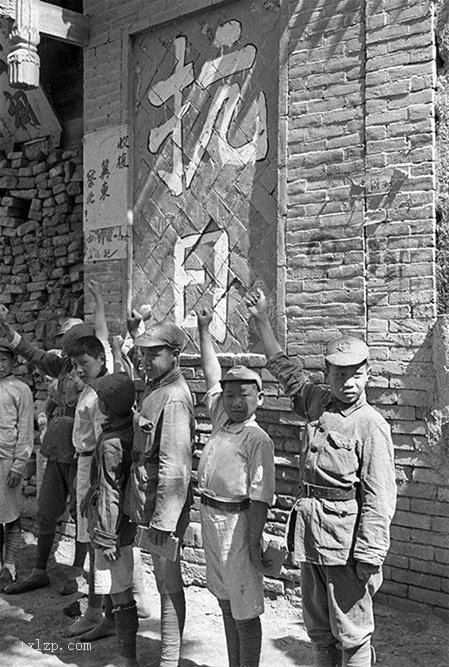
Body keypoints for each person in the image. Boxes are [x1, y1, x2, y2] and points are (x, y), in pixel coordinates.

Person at [245, 288, 397, 667]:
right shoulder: (317, 402)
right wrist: (262, 319)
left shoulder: (371, 425)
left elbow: (380, 497)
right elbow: (285, 371)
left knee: (353, 633)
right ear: (326, 374)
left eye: (355, 375)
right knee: (319, 631)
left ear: (367, 375)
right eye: (339, 374)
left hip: (348, 547)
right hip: (312, 538)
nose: (347, 382)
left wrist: (370, 555)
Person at [196, 307, 276, 667]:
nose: (235, 402)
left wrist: (253, 539)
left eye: (244, 395)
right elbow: (212, 373)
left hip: (238, 526)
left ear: (259, 398)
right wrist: (203, 329)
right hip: (211, 519)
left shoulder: (257, 440)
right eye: (230, 396)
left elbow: (260, 496)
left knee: (245, 610)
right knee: (225, 601)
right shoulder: (220, 419)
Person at [0, 310, 96, 595]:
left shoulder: (96, 369)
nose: (66, 352)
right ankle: (39, 570)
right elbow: (33, 354)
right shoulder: (63, 365)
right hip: (57, 450)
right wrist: (6, 327)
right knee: (45, 511)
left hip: (82, 454)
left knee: (82, 516)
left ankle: (78, 571)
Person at [127, 322, 194, 667]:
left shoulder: (175, 397)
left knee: (168, 583)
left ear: (175, 356)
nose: (146, 360)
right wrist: (130, 333)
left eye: (155, 353)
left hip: (161, 506)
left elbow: (176, 465)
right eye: (144, 353)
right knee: (162, 579)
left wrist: (164, 521)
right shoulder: (155, 386)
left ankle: (170, 660)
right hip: (146, 498)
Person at [81, 372, 139, 667]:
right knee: (110, 585)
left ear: (107, 404)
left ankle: (126, 657)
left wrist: (106, 538)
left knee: (121, 594)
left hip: (113, 528)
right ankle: (109, 624)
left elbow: (111, 493)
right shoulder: (123, 426)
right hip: (115, 523)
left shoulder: (112, 443)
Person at [63, 334, 109, 635]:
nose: (79, 369)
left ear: (101, 361)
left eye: (84, 363)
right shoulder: (89, 389)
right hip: (84, 461)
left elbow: (104, 440)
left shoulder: (100, 394)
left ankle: (95, 611)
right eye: (75, 364)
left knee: (95, 540)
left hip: (92, 465)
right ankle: (111, 604)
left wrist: (93, 485)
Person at [0, 341, 34, 591]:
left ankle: (9, 565)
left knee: (9, 516)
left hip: (6, 460)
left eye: (4, 359)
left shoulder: (20, 389)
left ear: (14, 361)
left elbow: (25, 429)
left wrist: (19, 464)